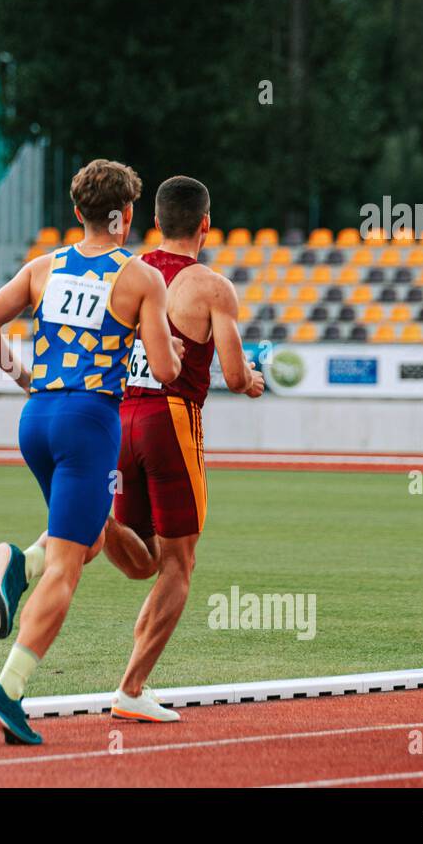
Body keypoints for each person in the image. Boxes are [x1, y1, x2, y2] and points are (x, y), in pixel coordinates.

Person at [0, 159, 183, 745]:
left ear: (78, 212)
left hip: (36, 416)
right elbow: (164, 369)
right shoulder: (141, 277)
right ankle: (7, 691)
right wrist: (162, 346)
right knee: (67, 567)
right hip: (91, 421)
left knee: (84, 538)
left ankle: (19, 565)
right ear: (128, 215)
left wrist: (26, 378)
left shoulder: (44, 267)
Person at [103, 175, 264, 722]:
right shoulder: (212, 287)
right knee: (180, 564)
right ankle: (131, 688)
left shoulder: (128, 273)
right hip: (171, 420)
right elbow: (237, 374)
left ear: (154, 222)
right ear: (205, 224)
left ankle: (97, 524)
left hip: (120, 416)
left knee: (143, 562)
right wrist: (253, 381)